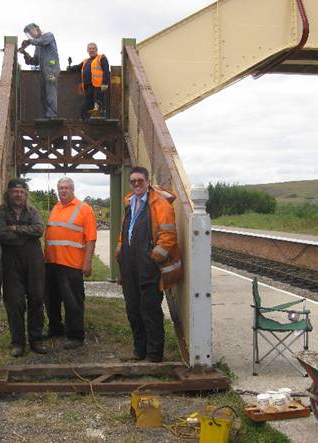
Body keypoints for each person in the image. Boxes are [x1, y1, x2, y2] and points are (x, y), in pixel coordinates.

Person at [116, 166, 183, 362]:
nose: (136, 184)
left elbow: (168, 235)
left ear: (147, 182)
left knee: (150, 310)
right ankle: (139, 350)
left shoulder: (160, 204)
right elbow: (125, 231)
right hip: (129, 265)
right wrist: (120, 250)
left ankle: (154, 355)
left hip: (148, 266)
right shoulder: (130, 203)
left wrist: (154, 257)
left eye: (140, 180)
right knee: (133, 309)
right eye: (133, 181)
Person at [0, 178, 48, 357]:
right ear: (8, 193)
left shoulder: (32, 211)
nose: (18, 195)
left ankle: (36, 340)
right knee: (14, 302)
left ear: (26, 194)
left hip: (34, 260)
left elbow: (39, 230)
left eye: (22, 192)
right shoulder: (1, 212)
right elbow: (0, 234)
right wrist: (26, 233)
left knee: (37, 299)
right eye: (15, 191)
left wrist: (16, 229)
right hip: (11, 261)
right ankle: (17, 342)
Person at [44, 177, 97, 349]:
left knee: (72, 301)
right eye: (60, 188)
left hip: (71, 264)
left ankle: (75, 335)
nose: (63, 190)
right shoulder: (56, 208)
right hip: (52, 263)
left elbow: (90, 239)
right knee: (51, 299)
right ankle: (55, 328)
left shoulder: (84, 209)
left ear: (73, 189)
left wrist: (87, 262)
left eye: (67, 187)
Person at [20, 23, 60, 119]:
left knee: (50, 91)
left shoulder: (48, 36)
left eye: (31, 32)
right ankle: (47, 114)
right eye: (29, 34)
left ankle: (52, 114)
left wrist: (29, 42)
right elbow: (35, 61)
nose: (31, 34)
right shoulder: (38, 46)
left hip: (52, 69)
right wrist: (25, 53)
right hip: (43, 71)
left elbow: (42, 41)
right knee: (43, 94)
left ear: (37, 29)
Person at [68, 42, 110, 120]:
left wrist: (105, 83)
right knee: (86, 106)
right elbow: (78, 67)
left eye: (93, 48)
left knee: (98, 106)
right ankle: (85, 121)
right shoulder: (86, 61)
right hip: (88, 87)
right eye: (90, 49)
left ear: (96, 49)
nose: (91, 50)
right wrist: (70, 68)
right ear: (87, 50)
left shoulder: (101, 58)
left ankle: (100, 121)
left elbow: (106, 71)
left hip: (98, 86)